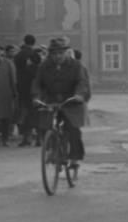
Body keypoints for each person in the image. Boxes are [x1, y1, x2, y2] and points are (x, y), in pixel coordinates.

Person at [32, 36, 89, 167]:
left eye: (60, 53)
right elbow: (37, 84)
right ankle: (54, 150)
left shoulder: (76, 65)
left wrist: (79, 95)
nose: (57, 56)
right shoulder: (44, 66)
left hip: (72, 102)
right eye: (54, 53)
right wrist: (36, 98)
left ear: (65, 52)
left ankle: (75, 157)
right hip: (52, 101)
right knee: (48, 127)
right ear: (50, 54)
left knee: (73, 129)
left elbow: (82, 82)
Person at [0, 44, 18, 146]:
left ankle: (5, 139)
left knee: (6, 118)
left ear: (2, 52)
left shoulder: (8, 64)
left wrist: (14, 93)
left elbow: (13, 80)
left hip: (5, 94)